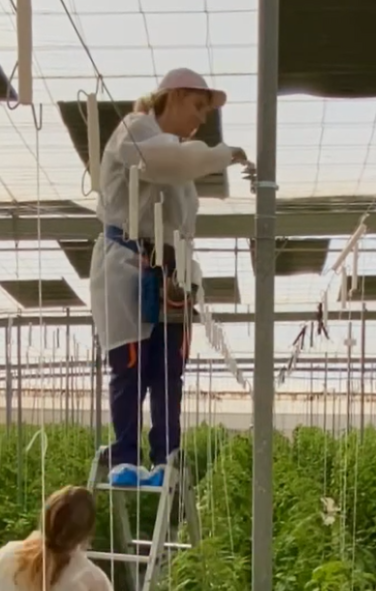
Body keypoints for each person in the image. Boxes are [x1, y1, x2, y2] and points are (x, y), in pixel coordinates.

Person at [87, 67, 254, 488]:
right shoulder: (136, 131)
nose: (200, 118)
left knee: (168, 372)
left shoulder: (176, 158)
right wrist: (224, 152)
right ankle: (125, 455)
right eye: (197, 106)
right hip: (130, 264)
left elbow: (179, 176)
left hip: (170, 275)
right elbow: (166, 161)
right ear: (174, 95)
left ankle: (166, 456)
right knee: (130, 366)